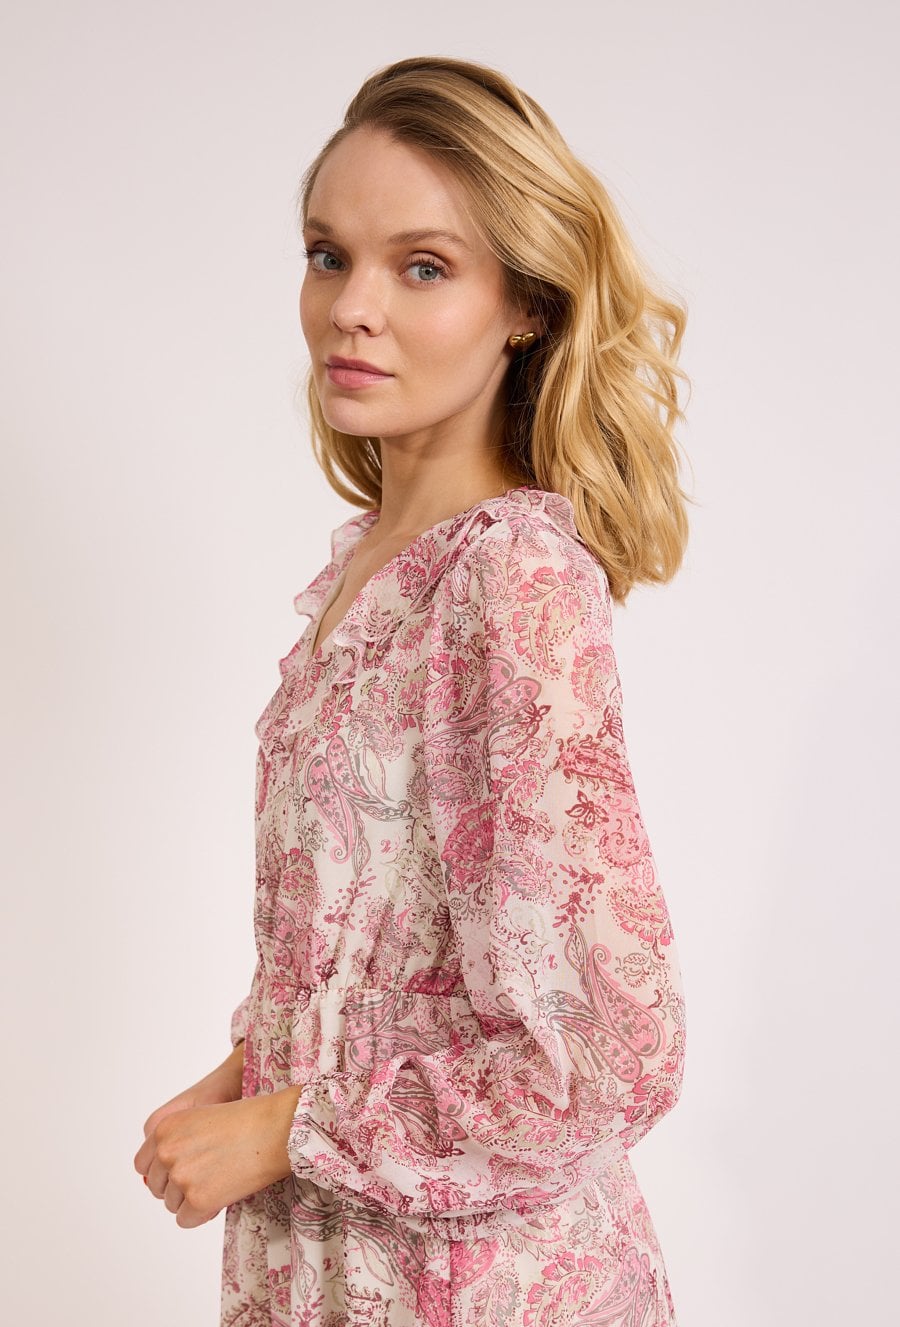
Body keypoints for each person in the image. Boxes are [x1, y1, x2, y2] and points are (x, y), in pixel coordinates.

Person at [134, 54, 692, 1326]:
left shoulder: (513, 579)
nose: (352, 308)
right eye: (328, 256)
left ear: (526, 305)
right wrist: (241, 1079)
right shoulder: (373, 570)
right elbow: (383, 958)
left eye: (423, 267)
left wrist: (286, 1128)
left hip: (478, 1285)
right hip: (334, 1264)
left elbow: (611, 1053)